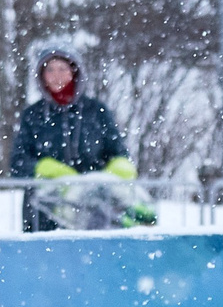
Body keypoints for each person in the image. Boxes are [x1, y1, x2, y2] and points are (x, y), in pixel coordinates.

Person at [7, 38, 132, 232]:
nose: (56, 76)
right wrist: (46, 169)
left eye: (62, 69)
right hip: (42, 213)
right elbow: (17, 163)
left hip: (92, 213)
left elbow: (118, 152)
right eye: (50, 70)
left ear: (74, 71)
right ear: (41, 75)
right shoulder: (32, 115)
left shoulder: (96, 111)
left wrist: (115, 171)